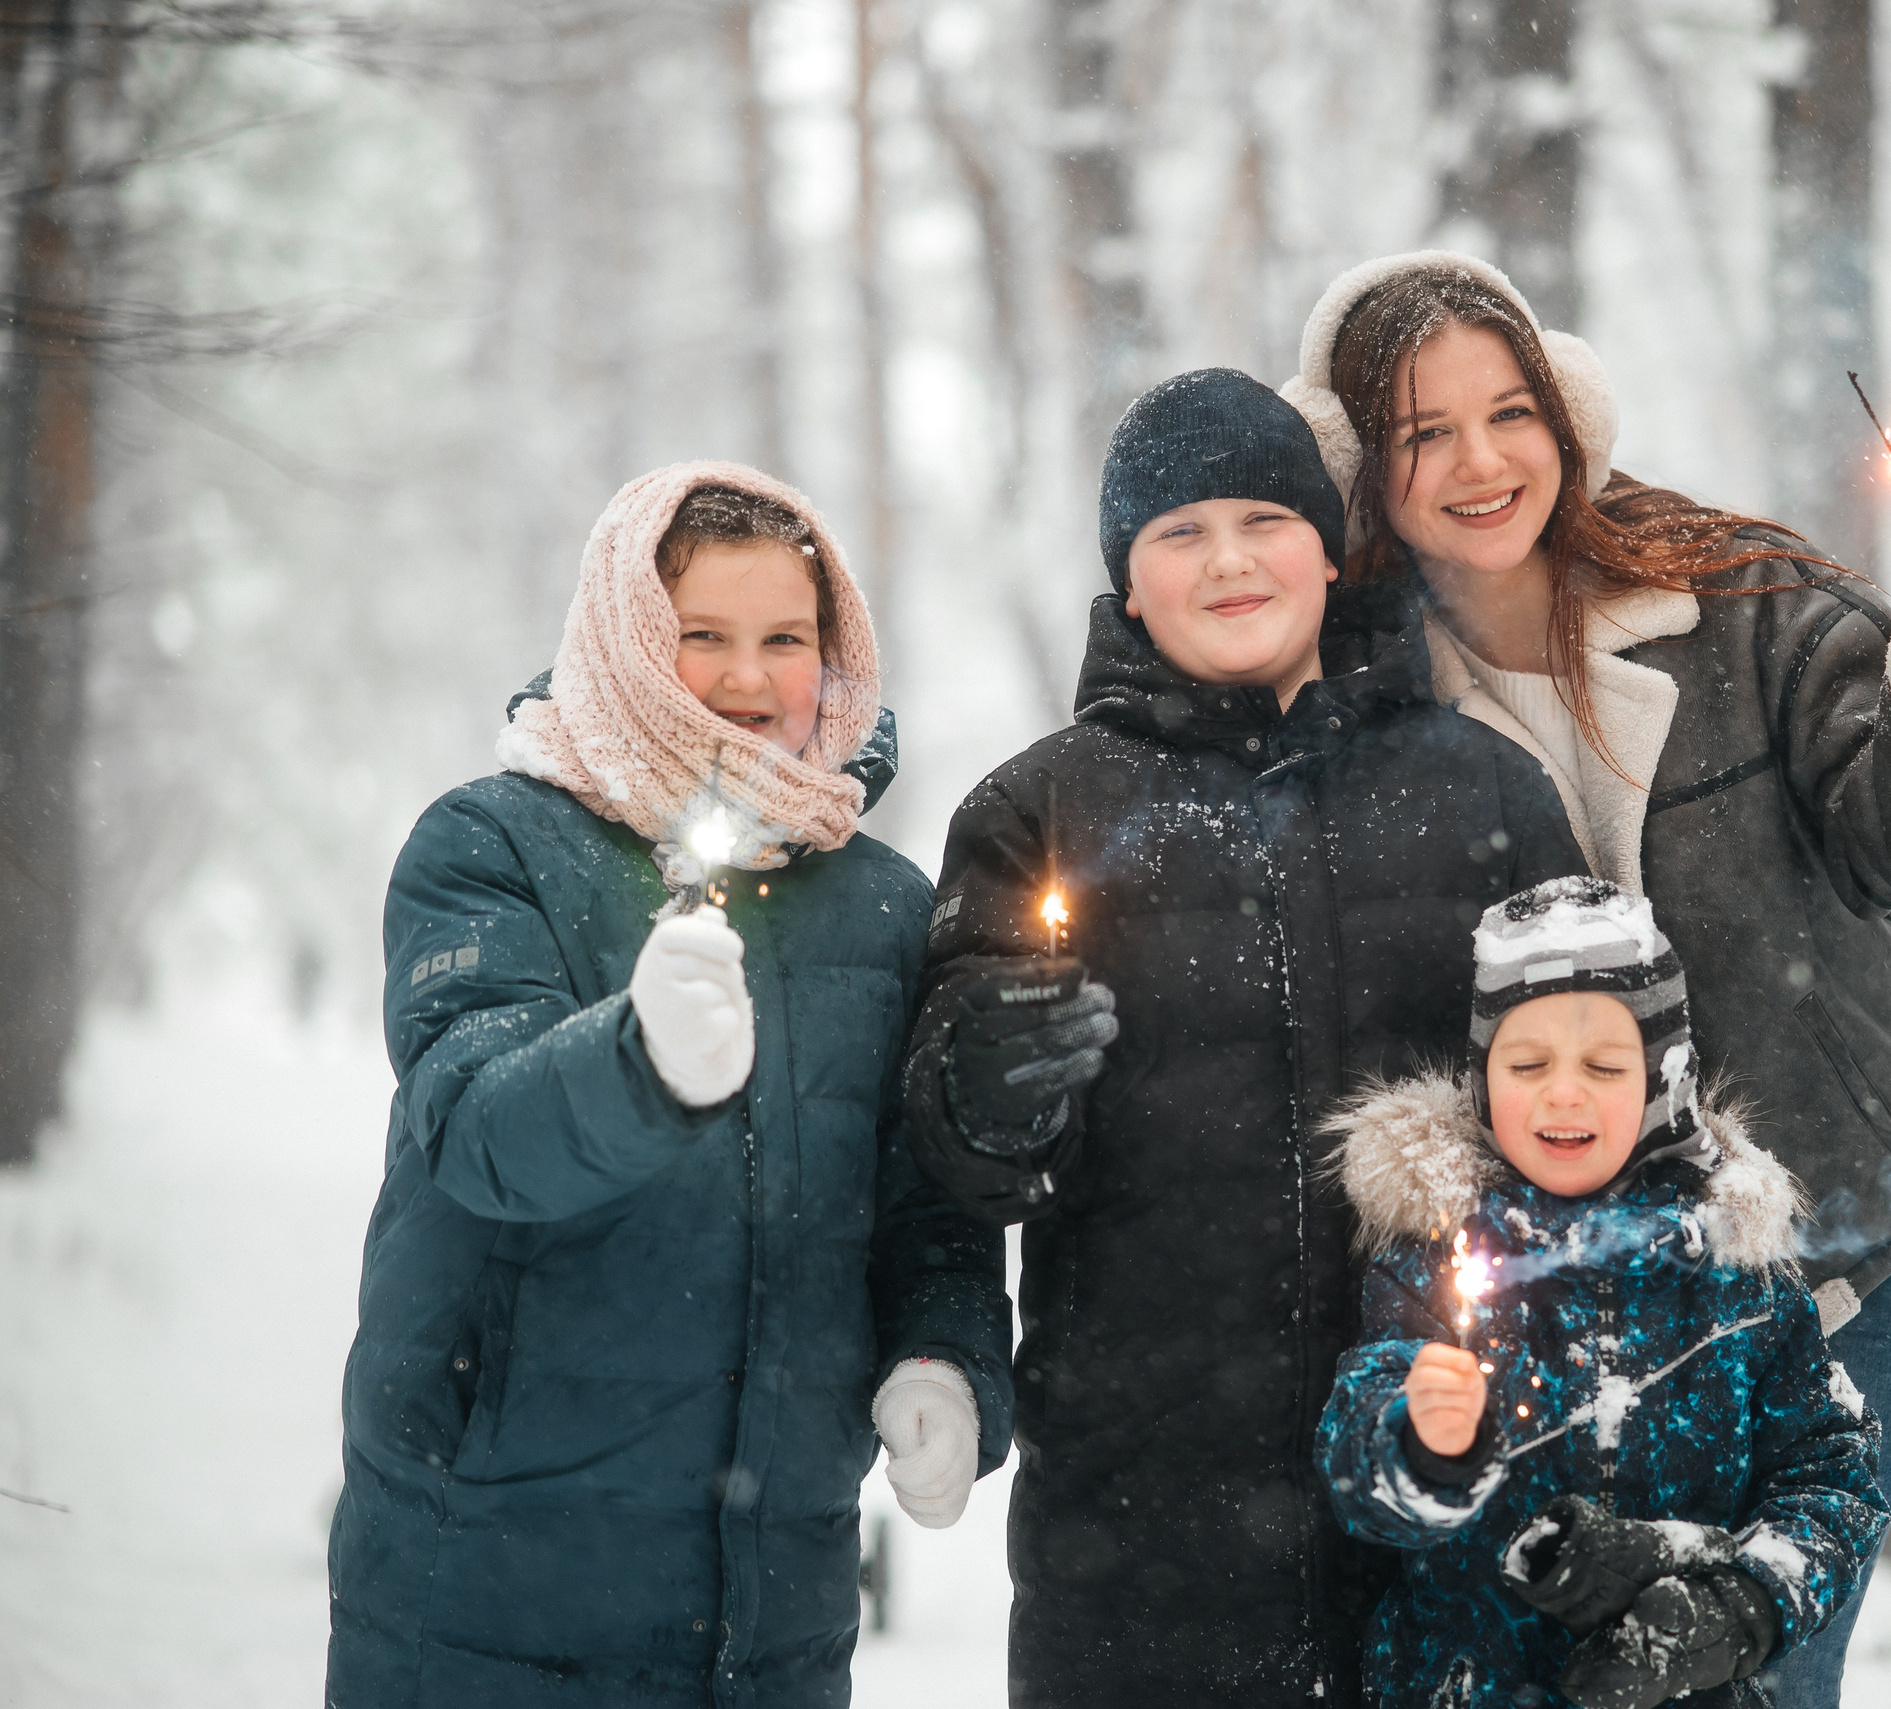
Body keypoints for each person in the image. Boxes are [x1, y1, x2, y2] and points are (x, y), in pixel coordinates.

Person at [1281, 253, 1891, 1704]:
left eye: (1510, 410)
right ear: (1363, 468)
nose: (1481, 461)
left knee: (1757, 1670)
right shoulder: (1360, 710)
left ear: (1566, 413)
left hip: (1838, 1250)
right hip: (1559, 1297)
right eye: (1423, 432)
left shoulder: (1737, 595)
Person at [897, 370, 1589, 1705]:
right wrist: (988, 1086)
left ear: (1329, 550)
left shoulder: (1486, 790)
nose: (1227, 560)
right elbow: (963, 1163)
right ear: (1127, 582)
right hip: (1142, 1525)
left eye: (1264, 518)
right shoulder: (1035, 812)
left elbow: (1593, 1107)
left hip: (1446, 1474)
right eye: (1178, 532)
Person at [327, 465, 1010, 1709]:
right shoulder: (489, 847)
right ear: (628, 640)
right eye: (702, 636)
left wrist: (945, 1363)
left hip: (772, 1617)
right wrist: (635, 1066)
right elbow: (476, 1130)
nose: (750, 682)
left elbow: (928, 1212)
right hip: (484, 1591)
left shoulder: (887, 905)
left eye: (785, 639)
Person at [1317, 877, 1886, 1709]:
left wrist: (1736, 1610)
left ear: (1662, 1082)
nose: (1563, 1090)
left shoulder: (1740, 1273)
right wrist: (1419, 1443)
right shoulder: (1434, 1262)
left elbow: (1834, 1478)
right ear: (1484, 1079)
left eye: (1604, 1065)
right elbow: (1358, 1467)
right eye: (1528, 1062)